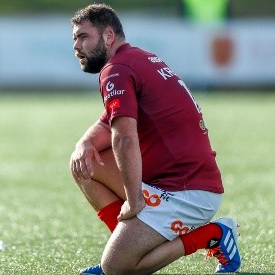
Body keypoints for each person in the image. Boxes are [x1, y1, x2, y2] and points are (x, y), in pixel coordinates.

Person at [69, 4, 241, 274]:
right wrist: (84, 144)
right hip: (181, 183)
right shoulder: (137, 58)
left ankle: (214, 234)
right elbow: (107, 121)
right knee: (84, 161)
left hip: (186, 192)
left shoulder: (116, 70)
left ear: (108, 36)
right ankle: (129, 246)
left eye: (83, 37)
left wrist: (135, 199)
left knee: (115, 268)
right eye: (75, 39)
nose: (77, 46)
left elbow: (124, 139)